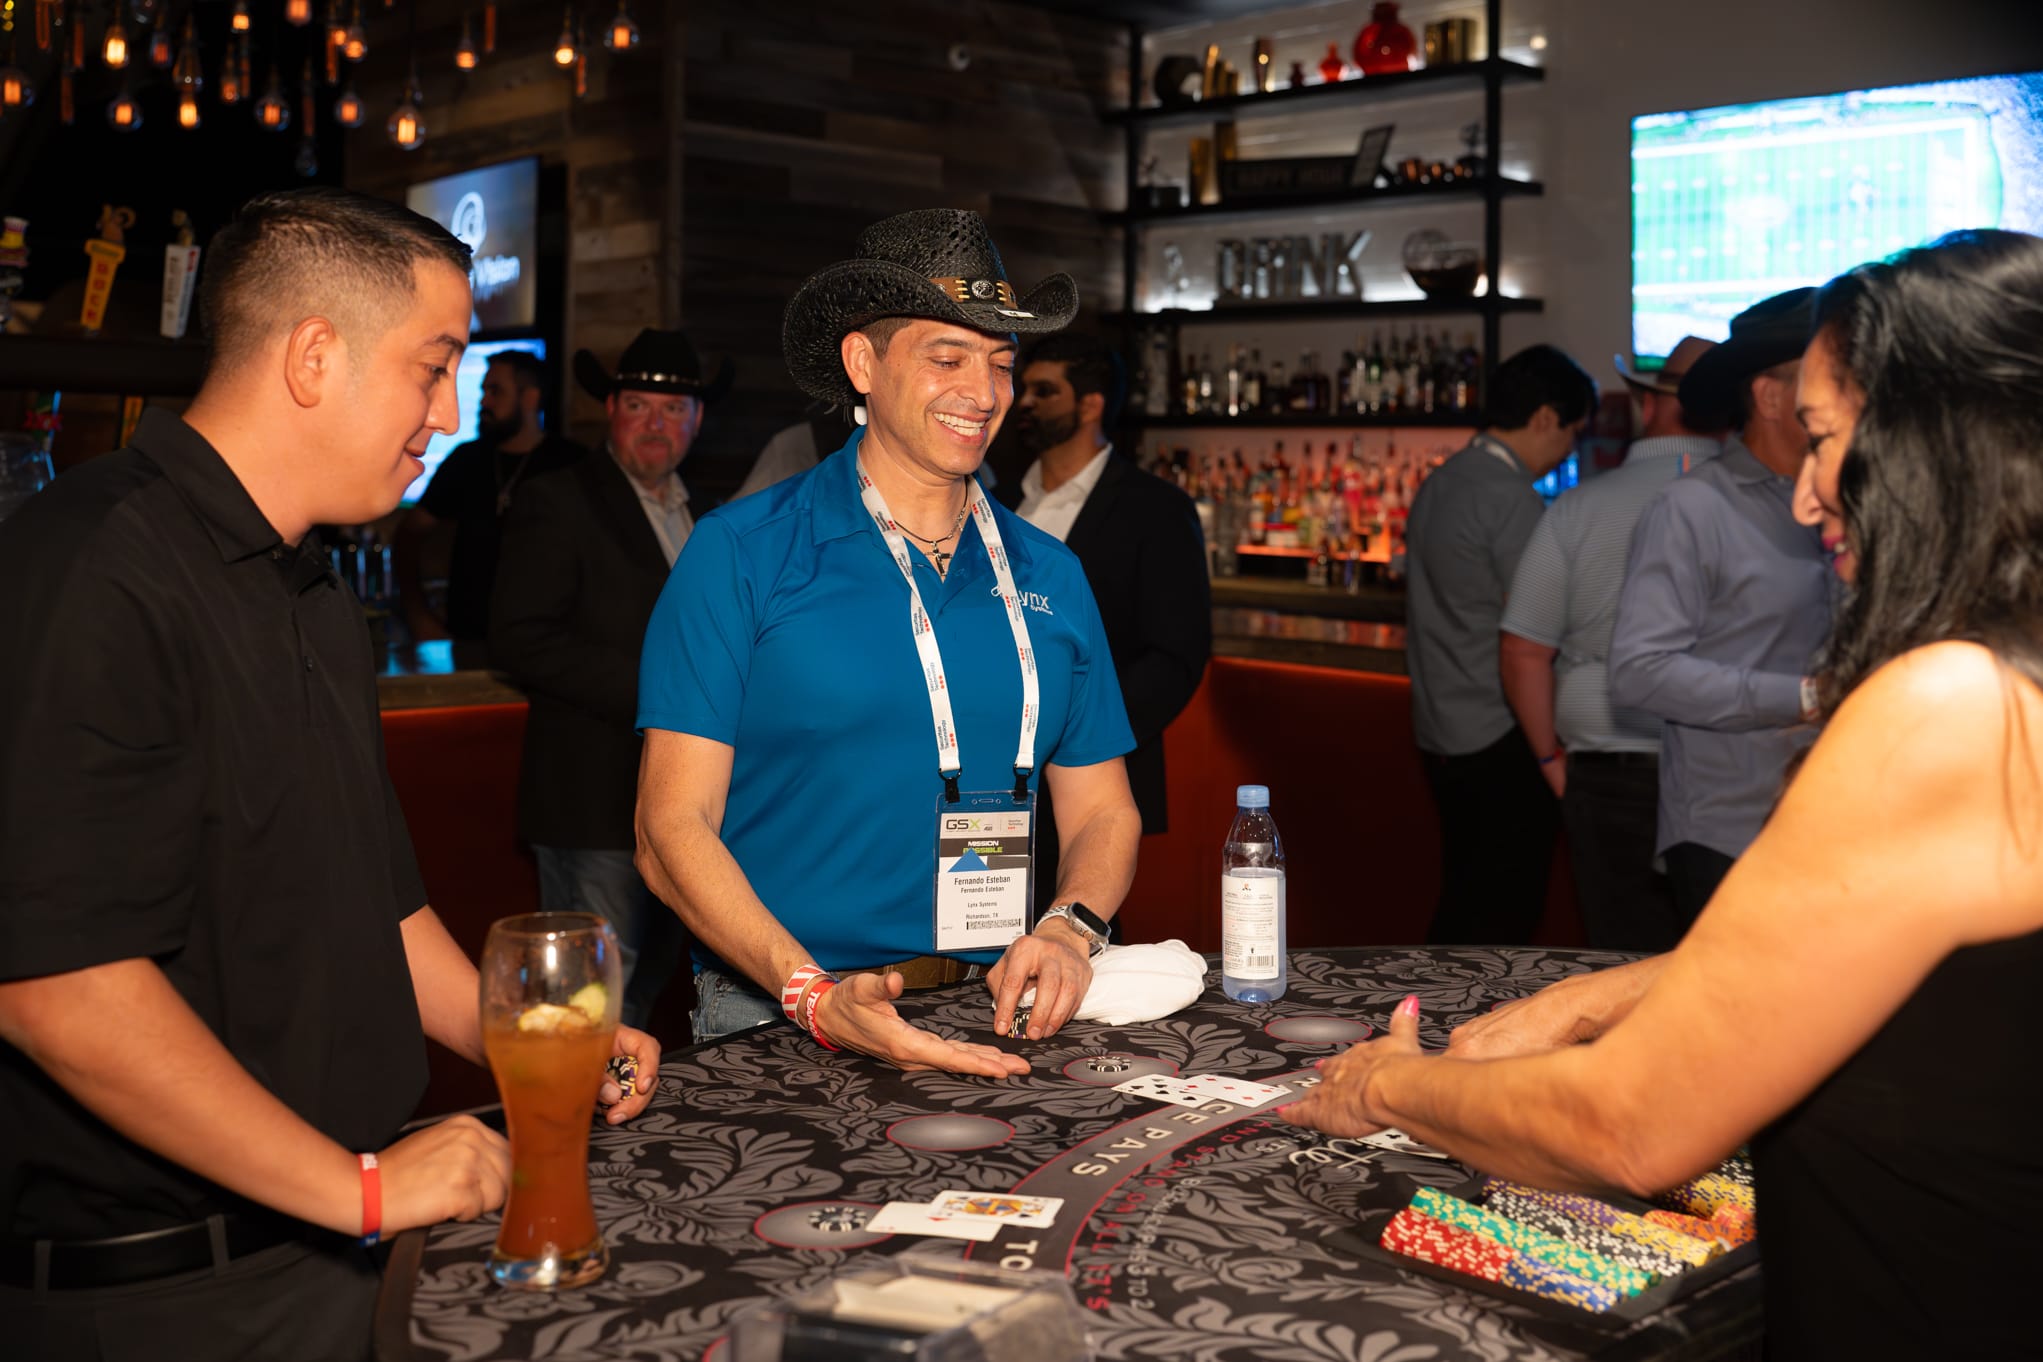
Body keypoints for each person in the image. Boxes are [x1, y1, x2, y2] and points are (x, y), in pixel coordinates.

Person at [1281, 228, 2043, 1359]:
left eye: (1827, 440)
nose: (1807, 496)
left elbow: (1630, 1125)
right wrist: (1586, 1004)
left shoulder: (1948, 703)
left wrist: (1392, 1088)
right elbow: (1887, 961)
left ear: (1933, 442)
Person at [0, 188, 656, 1362]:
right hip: (164, 1293)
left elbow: (381, 905)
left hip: (324, 1244)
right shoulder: (93, 572)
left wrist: (534, 1037)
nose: (447, 412)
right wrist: (355, 1188)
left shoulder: (308, 594)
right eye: (432, 366)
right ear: (314, 356)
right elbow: (60, 992)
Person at [633, 208, 1142, 1073]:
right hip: (784, 1011)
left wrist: (1069, 927)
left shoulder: (1051, 574)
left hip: (997, 1006)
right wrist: (812, 996)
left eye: (1000, 363)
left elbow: (1102, 810)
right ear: (862, 364)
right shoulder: (743, 553)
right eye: (947, 358)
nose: (982, 393)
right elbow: (668, 827)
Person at [490, 328, 732, 1032]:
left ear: (697, 420)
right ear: (610, 412)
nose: (655, 424)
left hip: (690, 811)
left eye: (672, 409)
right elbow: (522, 639)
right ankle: (570, 1139)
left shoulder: (709, 518)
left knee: (651, 988)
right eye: (638, 406)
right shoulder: (558, 499)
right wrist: (673, 696)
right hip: (593, 802)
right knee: (590, 1005)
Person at [1608, 290, 1834, 928]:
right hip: (1729, 829)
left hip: (1825, 820)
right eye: (1826, 381)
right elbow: (1639, 671)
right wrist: (1807, 696)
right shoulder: (1693, 508)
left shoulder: (1835, 503)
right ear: (1768, 396)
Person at [1497, 338, 1722, 951]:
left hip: (1610, 769)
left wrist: (1551, 762)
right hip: (1729, 772)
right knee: (1717, 966)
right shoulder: (1768, 503)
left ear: (1649, 407)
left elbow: (1524, 650)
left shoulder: (1579, 506)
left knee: (1619, 960)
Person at [997, 331, 1210, 917]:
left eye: (1045, 390)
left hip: (1092, 776)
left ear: (1090, 405)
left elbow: (1176, 657)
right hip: (993, 775)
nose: (1025, 403)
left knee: (1081, 932)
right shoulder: (995, 498)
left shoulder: (1155, 508)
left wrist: (1078, 740)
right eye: (1025, 388)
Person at [1404, 344, 1596, 945]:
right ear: (1544, 418)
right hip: (1500, 728)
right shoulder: (1511, 498)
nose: (1570, 450)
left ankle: (1431, 1020)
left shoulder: (1443, 480)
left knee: (1466, 894)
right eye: (1572, 434)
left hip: (1439, 727)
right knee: (1503, 910)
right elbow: (1541, 627)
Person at [393, 348, 585, 655]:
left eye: (495, 391)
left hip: (552, 648)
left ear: (530, 398)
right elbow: (409, 535)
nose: (484, 402)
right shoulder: (467, 460)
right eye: (484, 390)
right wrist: (418, 613)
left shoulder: (571, 464)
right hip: (468, 641)